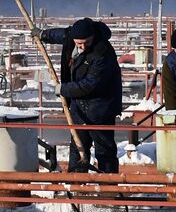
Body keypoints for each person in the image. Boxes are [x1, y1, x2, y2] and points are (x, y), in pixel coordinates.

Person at [34, 18, 123, 173]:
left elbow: (90, 84)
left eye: (85, 43)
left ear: (93, 37)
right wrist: (42, 34)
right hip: (78, 107)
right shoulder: (71, 37)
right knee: (77, 147)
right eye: (78, 43)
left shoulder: (103, 53)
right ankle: (77, 186)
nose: (81, 47)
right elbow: (60, 34)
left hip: (101, 108)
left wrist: (63, 89)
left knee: (104, 150)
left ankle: (108, 188)